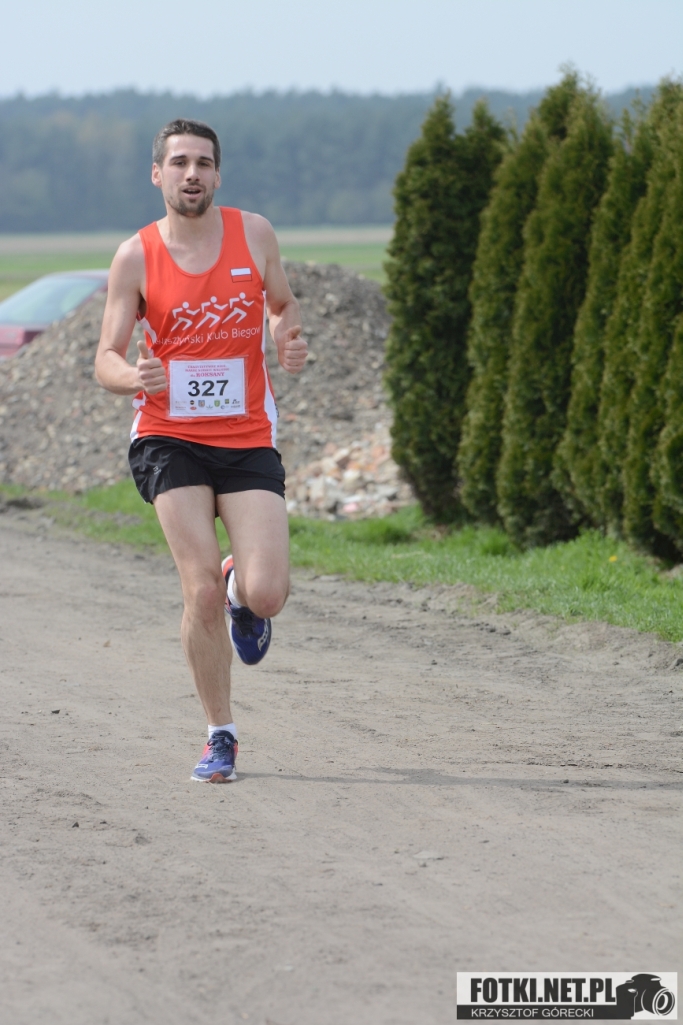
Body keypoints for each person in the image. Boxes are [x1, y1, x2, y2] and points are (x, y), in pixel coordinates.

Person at [95, 118, 307, 783]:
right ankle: (221, 734)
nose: (193, 174)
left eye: (204, 163)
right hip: (168, 436)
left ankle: (241, 587)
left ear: (218, 174)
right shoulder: (135, 256)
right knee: (198, 589)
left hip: (245, 436)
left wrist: (286, 336)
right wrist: (134, 376)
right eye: (180, 162)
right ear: (157, 173)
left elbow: (282, 304)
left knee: (268, 593)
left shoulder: (255, 234)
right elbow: (105, 358)